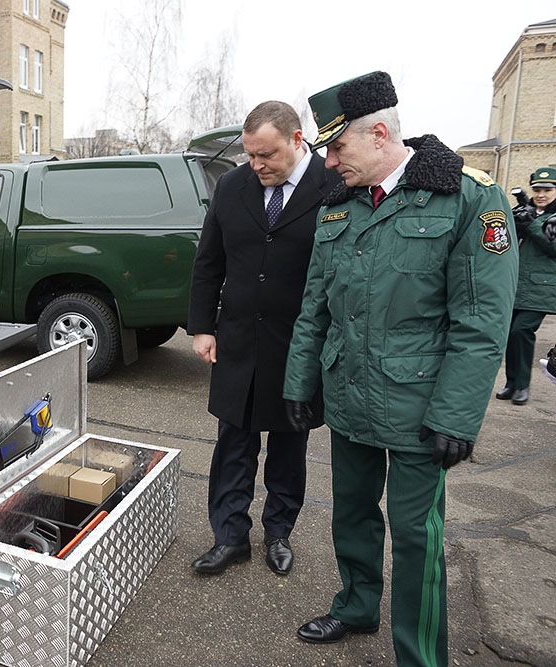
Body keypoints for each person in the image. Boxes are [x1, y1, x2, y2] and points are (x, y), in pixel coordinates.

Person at [282, 72, 518, 666]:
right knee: (352, 513)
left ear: (380, 133)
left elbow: (482, 319)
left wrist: (458, 416)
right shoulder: (339, 206)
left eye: (337, 148)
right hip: (350, 394)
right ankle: (357, 604)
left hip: (421, 406)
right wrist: (300, 383)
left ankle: (419, 655)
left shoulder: (467, 196)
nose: (329, 162)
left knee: (417, 537)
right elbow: (315, 305)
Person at [187, 101, 338, 577]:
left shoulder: (334, 187)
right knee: (233, 442)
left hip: (299, 346)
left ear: (298, 140)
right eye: (251, 155)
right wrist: (202, 326)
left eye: (266, 155)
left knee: (289, 446)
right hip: (236, 341)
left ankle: (278, 532)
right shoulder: (233, 186)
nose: (257, 166)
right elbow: (209, 261)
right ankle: (230, 537)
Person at [496, 167, 556, 405]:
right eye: (538, 190)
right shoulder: (526, 210)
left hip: (541, 287)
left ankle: (522, 385)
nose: (541, 194)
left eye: (548, 190)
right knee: (510, 335)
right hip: (515, 284)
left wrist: (530, 224)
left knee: (522, 331)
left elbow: (554, 246)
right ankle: (511, 384)